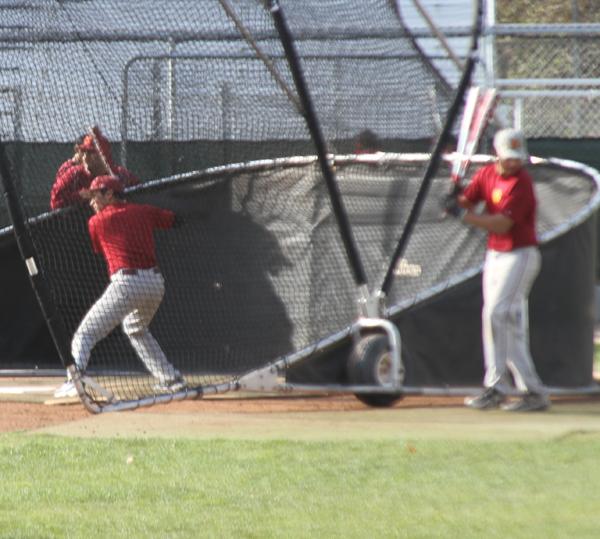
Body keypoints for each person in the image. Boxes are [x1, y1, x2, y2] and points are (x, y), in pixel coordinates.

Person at [446, 127, 549, 412]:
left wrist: (463, 215)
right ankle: (532, 391)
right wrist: (453, 197)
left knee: (497, 313)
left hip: (520, 255)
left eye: (517, 157)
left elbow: (502, 224)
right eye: (509, 157)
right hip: (496, 255)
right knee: (505, 320)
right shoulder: (487, 175)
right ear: (498, 155)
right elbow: (467, 200)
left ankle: (497, 386)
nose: (514, 162)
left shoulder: (522, 183)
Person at [54, 175, 185, 398]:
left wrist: (117, 212)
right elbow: (175, 220)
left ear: (110, 194)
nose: (92, 201)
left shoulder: (96, 221)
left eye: (97, 195)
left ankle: (74, 382)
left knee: (84, 334)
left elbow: (99, 245)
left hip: (127, 284)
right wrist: (136, 211)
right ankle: (171, 379)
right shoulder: (143, 210)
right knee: (135, 328)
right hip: (154, 284)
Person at [50, 126, 139, 210]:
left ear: (103, 155)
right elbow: (55, 202)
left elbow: (140, 193)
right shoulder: (74, 174)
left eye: (91, 153)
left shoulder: (121, 175)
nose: (85, 158)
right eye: (84, 152)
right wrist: (78, 196)